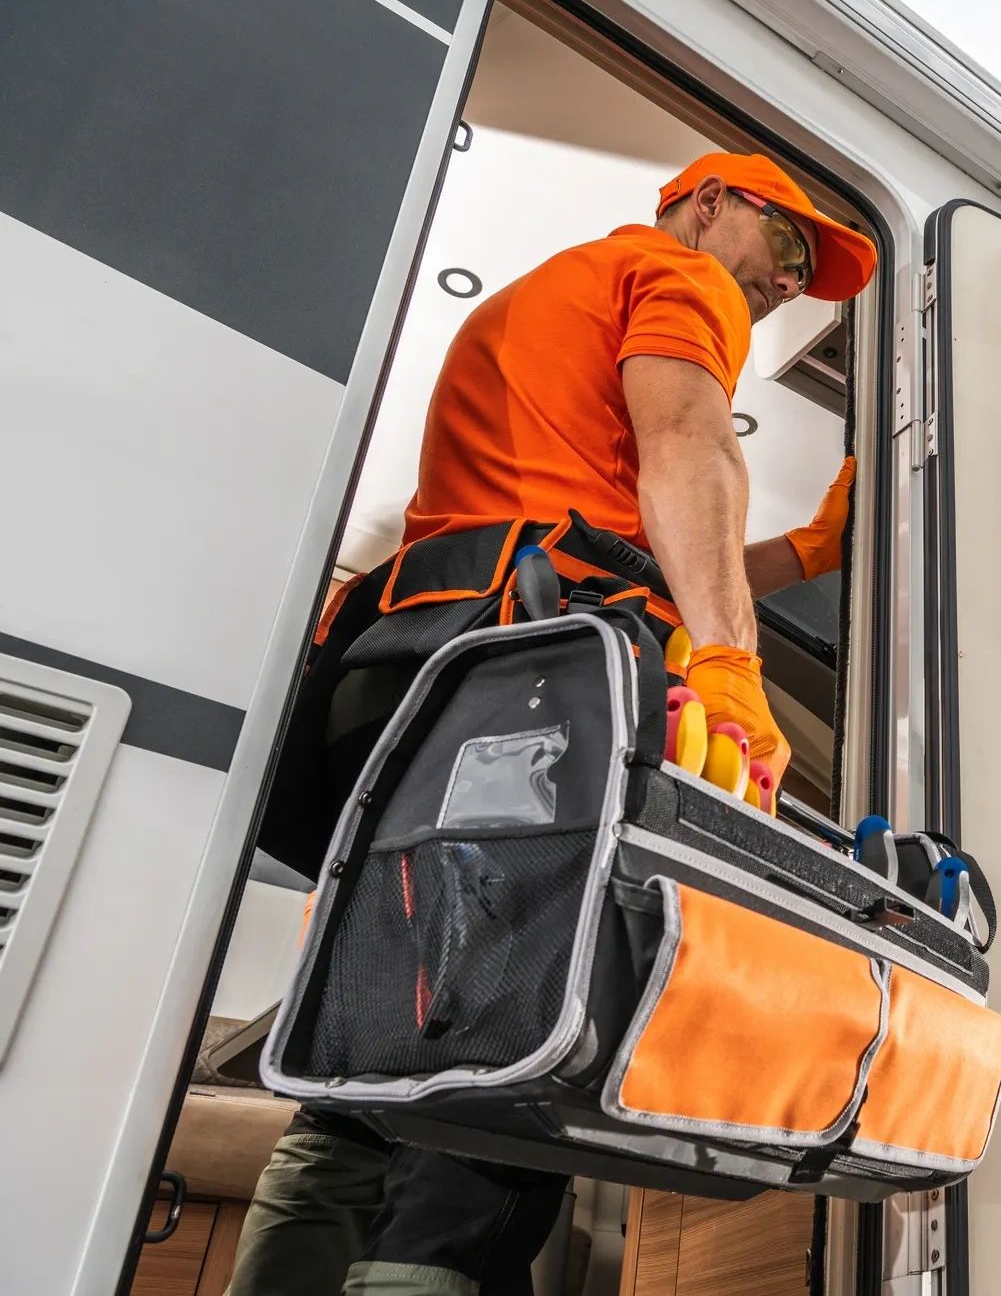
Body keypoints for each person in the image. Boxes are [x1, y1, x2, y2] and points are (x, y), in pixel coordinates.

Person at [228, 151, 877, 1295]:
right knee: (516, 1046)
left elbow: (621, 529)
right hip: (527, 687)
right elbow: (688, 443)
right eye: (786, 246)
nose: (785, 284)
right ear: (708, 202)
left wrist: (808, 555)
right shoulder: (676, 276)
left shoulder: (552, 296)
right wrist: (727, 664)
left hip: (422, 671)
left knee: (374, 1045)